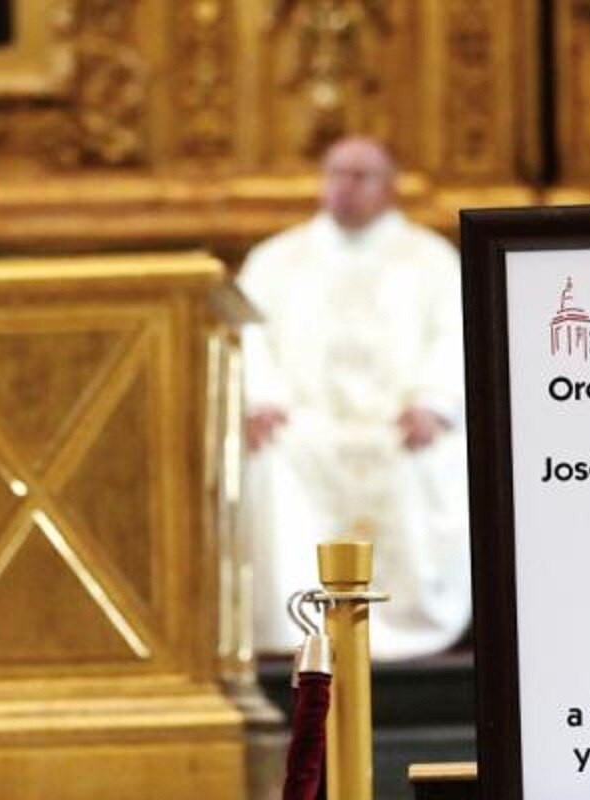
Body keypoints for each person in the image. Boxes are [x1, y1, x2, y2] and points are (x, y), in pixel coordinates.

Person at [238, 136, 470, 662]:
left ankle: (408, 622)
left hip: (397, 427)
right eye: (337, 174)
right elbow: (248, 336)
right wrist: (262, 401)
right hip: (306, 430)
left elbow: (453, 336)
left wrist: (432, 403)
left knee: (430, 461)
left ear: (388, 189)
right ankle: (295, 621)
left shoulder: (431, 261)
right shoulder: (276, 260)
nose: (345, 187)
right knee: (270, 461)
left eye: (361, 176)